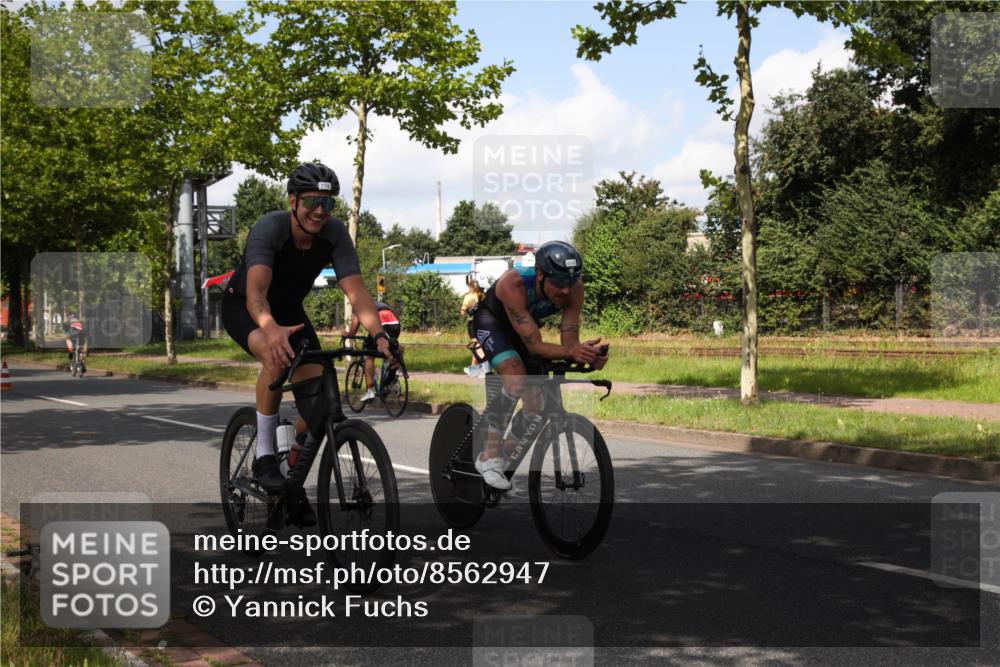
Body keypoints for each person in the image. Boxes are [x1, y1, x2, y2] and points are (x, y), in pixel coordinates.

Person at [222, 162, 397, 523]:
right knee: (276, 357)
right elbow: (256, 297)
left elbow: (358, 294)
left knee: (318, 406)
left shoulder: (334, 234)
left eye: (328, 204)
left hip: (290, 313)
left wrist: (379, 335)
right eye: (312, 202)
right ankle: (266, 455)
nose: (320, 211)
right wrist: (270, 328)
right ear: (293, 201)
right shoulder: (269, 230)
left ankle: (292, 473)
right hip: (246, 308)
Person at [470, 241, 608, 490]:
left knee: (535, 405)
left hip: (525, 329)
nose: (565, 291)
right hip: (493, 323)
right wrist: (571, 352)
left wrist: (586, 355)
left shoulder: (575, 289)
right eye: (559, 283)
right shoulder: (514, 285)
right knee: (515, 378)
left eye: (570, 282)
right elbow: (534, 346)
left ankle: (502, 461)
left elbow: (569, 343)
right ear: (541, 275)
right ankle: (488, 457)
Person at [343, 300, 401, 402]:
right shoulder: (378, 304)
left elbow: (352, 332)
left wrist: (346, 334)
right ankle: (393, 374)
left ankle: (370, 390)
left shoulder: (358, 306)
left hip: (382, 325)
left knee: (369, 356)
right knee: (389, 347)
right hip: (395, 324)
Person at [460, 278, 486, 371]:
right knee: (481, 344)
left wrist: (466, 310)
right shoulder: (482, 295)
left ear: (470, 287)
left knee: (476, 344)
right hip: (484, 321)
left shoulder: (468, 297)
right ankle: (475, 367)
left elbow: (462, 312)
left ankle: (478, 368)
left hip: (473, 322)